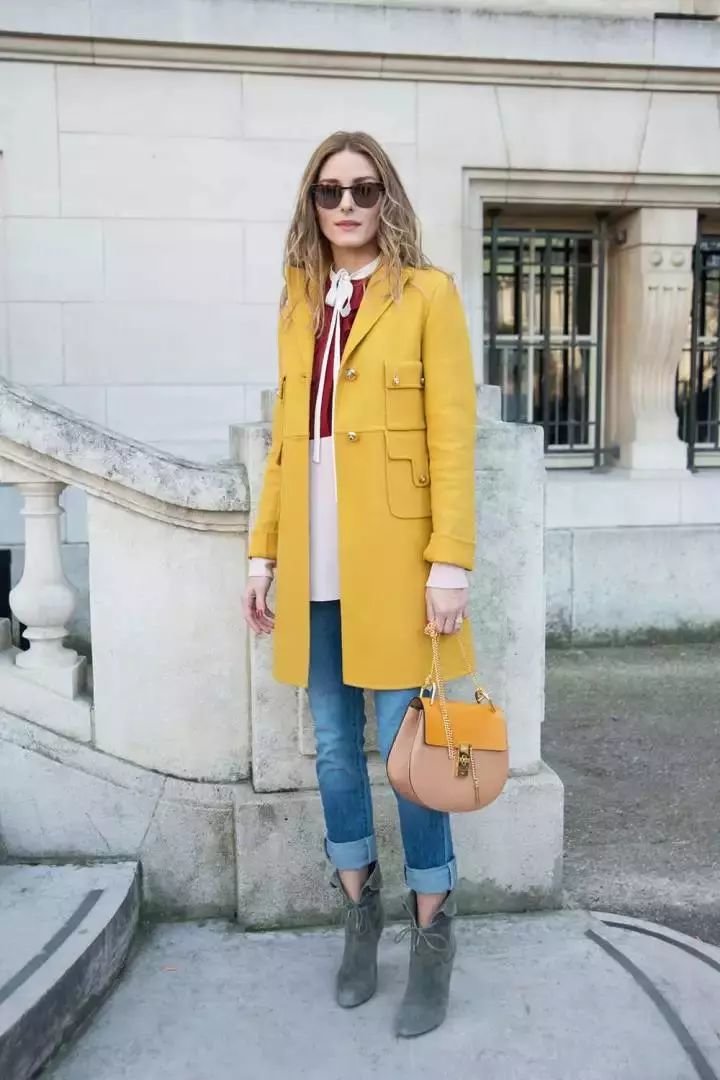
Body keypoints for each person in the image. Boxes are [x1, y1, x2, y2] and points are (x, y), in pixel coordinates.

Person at [243, 130, 476, 1037]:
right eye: (330, 190)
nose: (347, 205)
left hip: (399, 565)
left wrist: (449, 562)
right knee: (337, 752)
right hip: (313, 567)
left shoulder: (427, 295)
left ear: (388, 200)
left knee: (410, 759)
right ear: (312, 202)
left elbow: (452, 438)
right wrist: (262, 554)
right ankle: (358, 918)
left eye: (364, 189)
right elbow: (285, 442)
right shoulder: (300, 301)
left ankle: (432, 935)